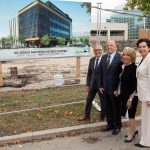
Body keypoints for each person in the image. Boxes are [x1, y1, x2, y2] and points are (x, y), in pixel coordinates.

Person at [99, 40, 122, 135]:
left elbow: (122, 75)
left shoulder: (120, 57)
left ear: (115, 46)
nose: (109, 47)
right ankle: (110, 124)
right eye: (107, 45)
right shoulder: (104, 57)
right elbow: (100, 73)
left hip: (115, 89)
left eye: (111, 45)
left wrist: (118, 88)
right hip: (104, 88)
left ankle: (117, 126)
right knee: (107, 107)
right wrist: (100, 85)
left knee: (116, 107)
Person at [78, 44, 105, 121]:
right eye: (95, 50)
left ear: (102, 50)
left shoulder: (105, 60)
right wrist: (87, 84)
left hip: (101, 85)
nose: (97, 52)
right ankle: (87, 116)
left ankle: (102, 116)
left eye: (99, 50)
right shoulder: (92, 60)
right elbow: (89, 73)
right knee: (88, 100)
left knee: (103, 101)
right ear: (93, 51)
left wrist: (103, 85)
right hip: (92, 84)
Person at [118, 47, 138, 142]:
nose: (125, 56)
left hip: (132, 96)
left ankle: (132, 132)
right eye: (124, 54)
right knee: (129, 114)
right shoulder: (124, 66)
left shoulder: (134, 68)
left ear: (132, 57)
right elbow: (122, 82)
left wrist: (130, 99)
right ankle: (135, 129)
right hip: (124, 94)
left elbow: (135, 86)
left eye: (128, 55)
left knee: (131, 115)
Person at [135, 38, 150, 148]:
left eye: (144, 46)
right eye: (140, 47)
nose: (141, 49)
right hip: (143, 94)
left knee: (146, 121)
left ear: (149, 47)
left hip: (147, 96)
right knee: (146, 119)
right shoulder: (143, 59)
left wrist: (149, 98)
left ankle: (146, 142)